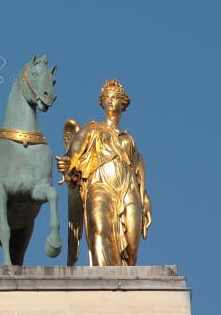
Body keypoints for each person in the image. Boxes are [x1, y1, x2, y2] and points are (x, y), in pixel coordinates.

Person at [56, 78, 152, 265]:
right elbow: (73, 151)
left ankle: (127, 284)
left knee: (132, 244)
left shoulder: (129, 139)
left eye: (115, 97)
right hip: (99, 185)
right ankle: (103, 282)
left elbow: (137, 171)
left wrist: (145, 198)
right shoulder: (91, 129)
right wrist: (68, 164)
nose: (110, 100)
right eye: (107, 96)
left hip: (128, 187)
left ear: (123, 103)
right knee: (98, 230)